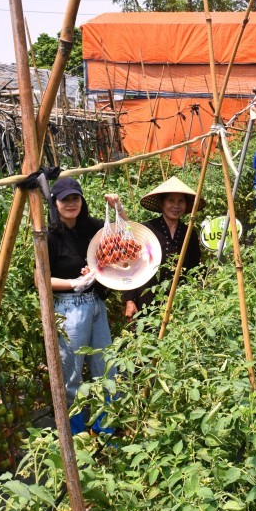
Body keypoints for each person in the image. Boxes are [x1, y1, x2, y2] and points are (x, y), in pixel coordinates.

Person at [47, 177, 123, 434]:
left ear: (82, 200)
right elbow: (41, 279)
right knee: (72, 375)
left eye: (75, 198)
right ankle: (77, 436)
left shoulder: (91, 226)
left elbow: (123, 234)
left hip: (96, 304)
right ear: (55, 203)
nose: (71, 204)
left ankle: (106, 431)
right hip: (69, 308)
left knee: (106, 369)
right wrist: (73, 283)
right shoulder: (49, 236)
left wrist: (118, 208)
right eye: (65, 200)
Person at [123, 176, 204, 319]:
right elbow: (131, 266)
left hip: (180, 299)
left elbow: (194, 266)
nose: (176, 206)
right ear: (162, 203)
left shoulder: (189, 232)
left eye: (181, 201)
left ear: (186, 205)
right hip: (147, 298)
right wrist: (129, 300)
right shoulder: (147, 230)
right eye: (171, 200)